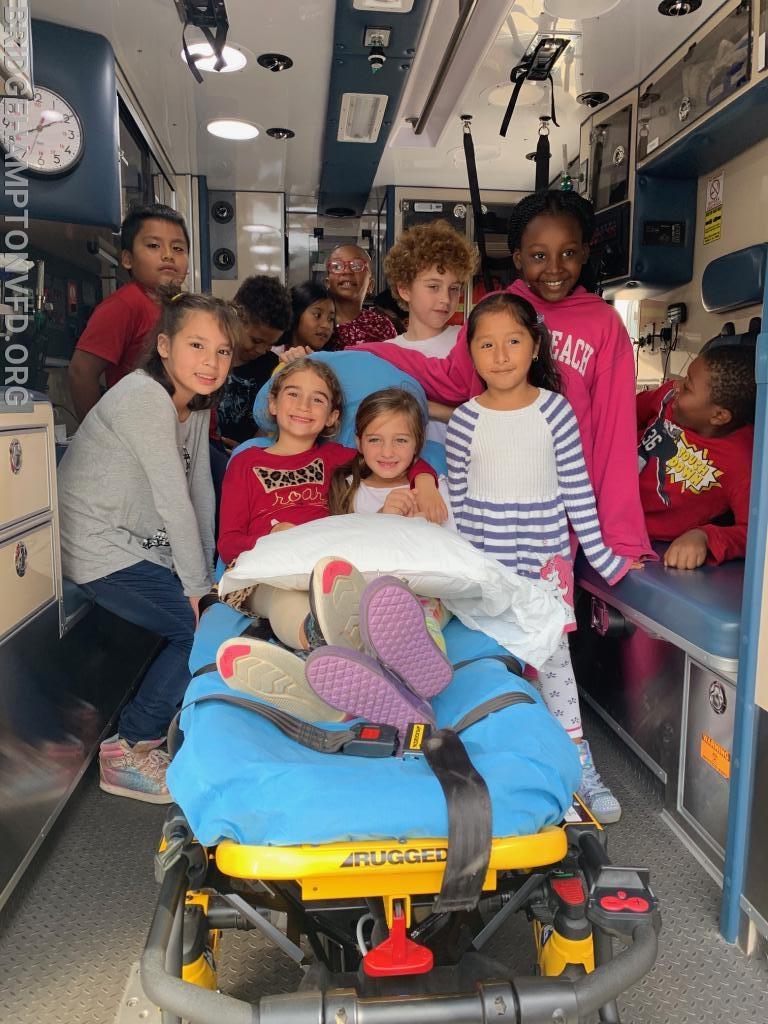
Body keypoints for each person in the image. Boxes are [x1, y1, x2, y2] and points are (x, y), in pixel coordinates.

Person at [346, 191, 652, 560]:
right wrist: (360, 350)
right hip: (490, 511)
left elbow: (614, 434)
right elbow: (448, 378)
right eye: (539, 256)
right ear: (519, 259)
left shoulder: (604, 324)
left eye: (568, 253)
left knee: (549, 604)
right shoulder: (495, 311)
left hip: (560, 512)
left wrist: (621, 541)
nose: (554, 268)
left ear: (585, 252)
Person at [446, 292, 631, 823]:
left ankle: (578, 768)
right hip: (489, 567)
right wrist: (464, 573)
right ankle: (519, 766)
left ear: (535, 345)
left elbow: (577, 492)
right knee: (497, 663)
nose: (500, 355)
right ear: (472, 354)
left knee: (553, 664)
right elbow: (457, 501)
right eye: (486, 344)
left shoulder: (556, 410)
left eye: (513, 341)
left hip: (545, 562)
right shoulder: (464, 421)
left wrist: (604, 557)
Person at [58, 291, 238, 803]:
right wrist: (198, 593)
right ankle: (130, 748)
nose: (210, 362)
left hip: (138, 546)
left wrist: (205, 578)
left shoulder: (195, 403)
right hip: (97, 546)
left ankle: (156, 730)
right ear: (164, 346)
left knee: (211, 615)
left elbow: (200, 489)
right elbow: (172, 498)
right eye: (197, 345)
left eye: (222, 351)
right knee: (196, 632)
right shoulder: (143, 398)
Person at [217, 360, 446, 651]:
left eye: (317, 399)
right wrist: (268, 539)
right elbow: (228, 544)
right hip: (264, 567)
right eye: (293, 394)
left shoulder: (335, 457)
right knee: (285, 598)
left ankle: (352, 649)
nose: (304, 405)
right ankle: (321, 641)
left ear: (332, 416)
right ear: (273, 403)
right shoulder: (245, 462)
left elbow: (389, 456)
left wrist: (424, 481)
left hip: (324, 564)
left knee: (344, 593)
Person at [68, 203, 190, 422]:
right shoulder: (126, 304)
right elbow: (81, 372)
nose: (168, 255)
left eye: (178, 248)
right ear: (127, 259)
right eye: (153, 245)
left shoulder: (178, 308)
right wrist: (102, 436)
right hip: (135, 433)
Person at [637, 343, 755, 568]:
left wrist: (705, 536)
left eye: (688, 387)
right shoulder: (669, 397)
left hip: (636, 534)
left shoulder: (742, 462)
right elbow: (621, 416)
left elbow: (754, 533)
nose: (676, 386)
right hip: (597, 501)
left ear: (718, 416)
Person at [384, 220, 478, 442]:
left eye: (454, 288)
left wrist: (426, 405)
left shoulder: (469, 340)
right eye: (433, 287)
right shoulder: (386, 353)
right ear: (404, 289)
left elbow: (487, 413)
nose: (446, 299)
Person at [217, 275, 292, 447]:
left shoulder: (272, 370)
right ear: (234, 318)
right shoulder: (208, 361)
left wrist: (247, 451)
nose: (261, 350)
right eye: (256, 341)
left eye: (270, 344)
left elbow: (269, 424)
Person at [324, 244, 398, 346]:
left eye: (357, 266)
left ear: (370, 285)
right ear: (327, 283)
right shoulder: (318, 321)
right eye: (337, 266)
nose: (347, 271)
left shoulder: (380, 325)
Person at [275, 280, 337, 354]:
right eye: (317, 315)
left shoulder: (330, 361)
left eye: (331, 319)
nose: (326, 326)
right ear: (294, 314)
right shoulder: (272, 356)